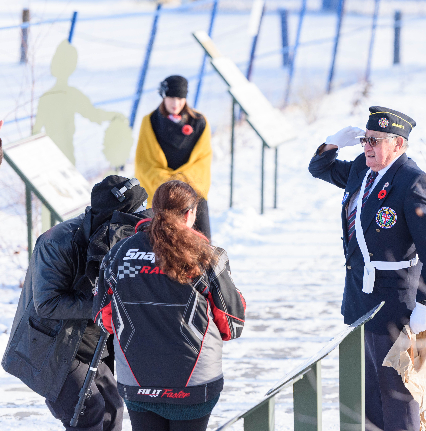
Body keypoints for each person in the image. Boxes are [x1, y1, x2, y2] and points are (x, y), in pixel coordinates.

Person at [308, 106, 426, 431]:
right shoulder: (363, 168)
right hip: (362, 298)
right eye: (364, 140)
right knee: (370, 392)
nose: (367, 147)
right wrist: (331, 143)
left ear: (398, 144)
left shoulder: (412, 181)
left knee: (397, 394)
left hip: (396, 303)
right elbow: (319, 169)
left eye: (375, 140)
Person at [2, 175, 152, 431]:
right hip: (52, 346)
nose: (139, 223)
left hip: (90, 342)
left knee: (113, 407)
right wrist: (104, 303)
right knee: (88, 410)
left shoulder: (124, 242)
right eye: (134, 216)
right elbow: (48, 304)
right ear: (112, 217)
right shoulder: (58, 242)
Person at [93, 180, 246, 431]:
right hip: (194, 383)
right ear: (190, 214)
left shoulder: (118, 254)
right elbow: (232, 325)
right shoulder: (207, 256)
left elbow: (103, 319)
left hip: (137, 380)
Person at [134, 75, 213, 240]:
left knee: (201, 245)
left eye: (180, 98)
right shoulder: (150, 122)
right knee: (160, 246)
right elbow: (144, 163)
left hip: (193, 197)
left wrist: (180, 185)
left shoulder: (199, 122)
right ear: (163, 96)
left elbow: (202, 162)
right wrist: (169, 188)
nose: (175, 103)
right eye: (171, 97)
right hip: (162, 198)